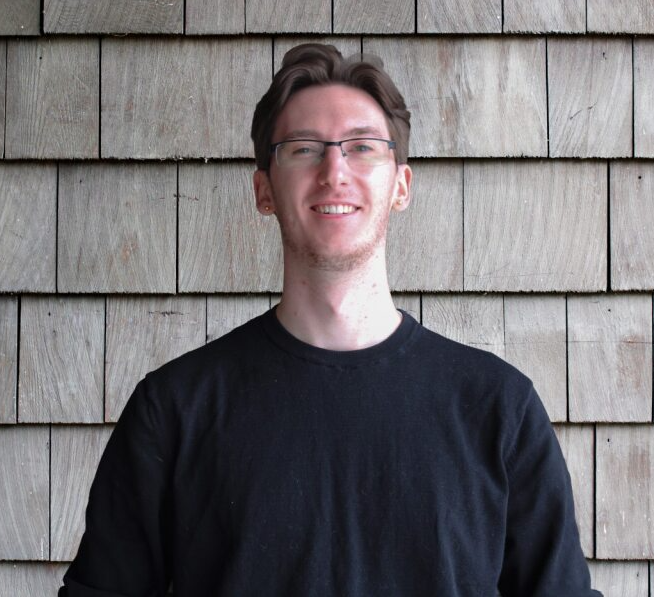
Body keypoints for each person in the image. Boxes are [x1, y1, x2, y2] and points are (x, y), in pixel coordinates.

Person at [59, 44, 602, 597]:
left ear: (401, 186)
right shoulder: (176, 408)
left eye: (362, 147)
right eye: (303, 149)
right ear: (264, 190)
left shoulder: (499, 409)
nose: (334, 171)